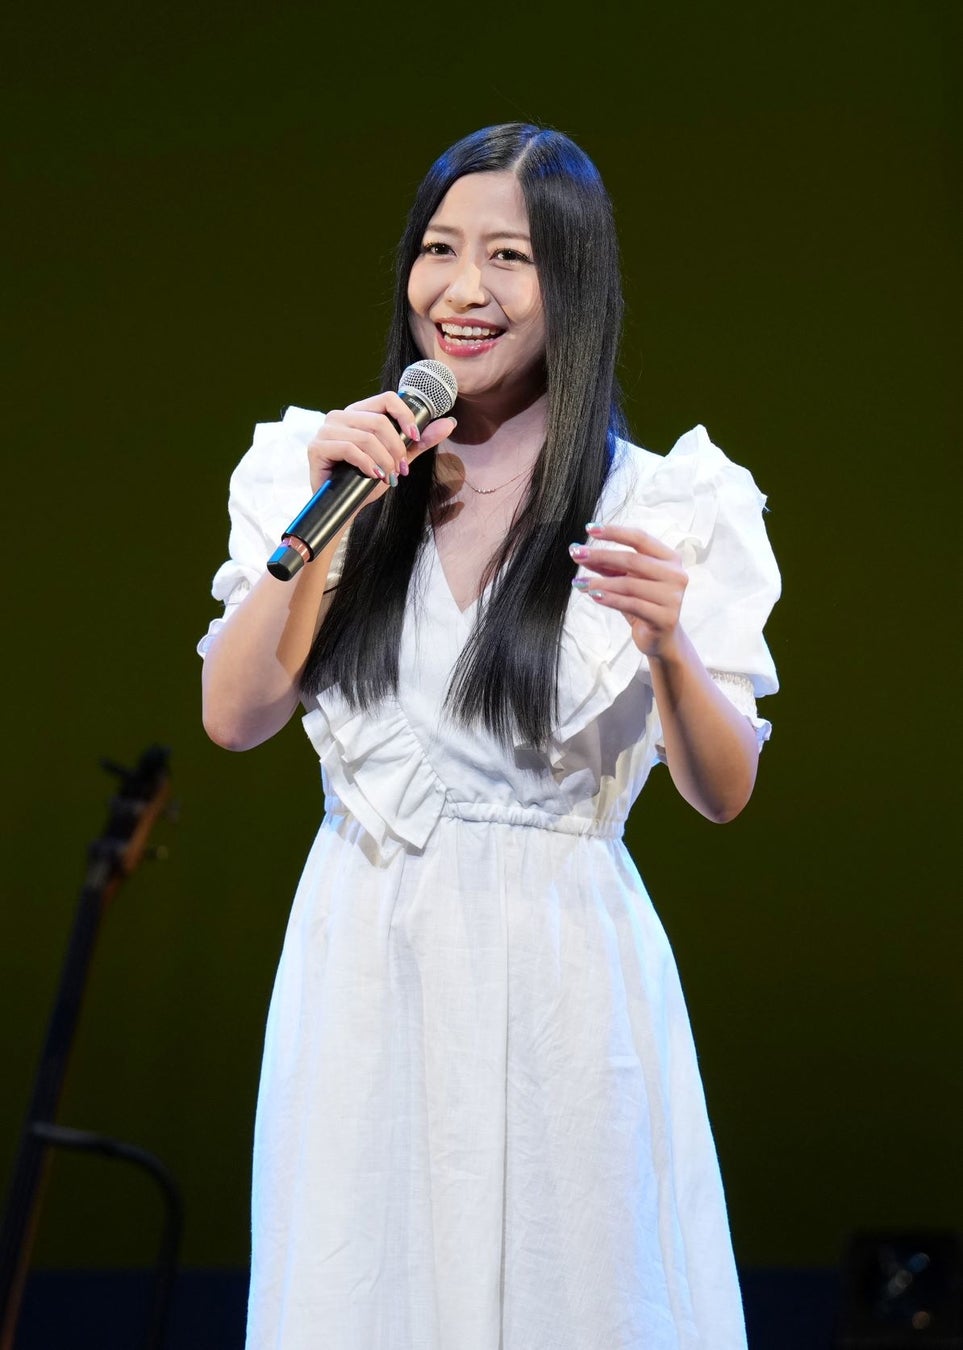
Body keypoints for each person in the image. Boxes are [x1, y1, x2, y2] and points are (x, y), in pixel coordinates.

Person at [199, 122, 780, 1350]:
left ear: (574, 281)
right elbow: (234, 717)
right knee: (363, 1289)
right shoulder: (323, 473)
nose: (462, 289)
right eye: (439, 250)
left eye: (508, 256)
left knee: (577, 1294)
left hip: (563, 970)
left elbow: (724, 792)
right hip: (365, 961)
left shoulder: (665, 503)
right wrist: (335, 520)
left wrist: (671, 645)